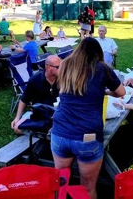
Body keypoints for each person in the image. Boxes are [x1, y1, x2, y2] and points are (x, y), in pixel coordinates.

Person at [51, 38, 125, 199]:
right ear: (98, 53)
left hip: (60, 132)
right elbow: (121, 92)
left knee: (60, 183)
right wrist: (104, 92)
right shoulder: (102, 68)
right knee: (88, 188)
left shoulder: (65, 66)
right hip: (87, 136)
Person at [11, 55, 61, 134]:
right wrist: (17, 117)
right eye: (58, 67)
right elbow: (24, 99)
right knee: (17, 128)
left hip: (58, 114)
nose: (61, 69)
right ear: (48, 67)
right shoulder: (35, 79)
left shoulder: (64, 79)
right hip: (39, 114)